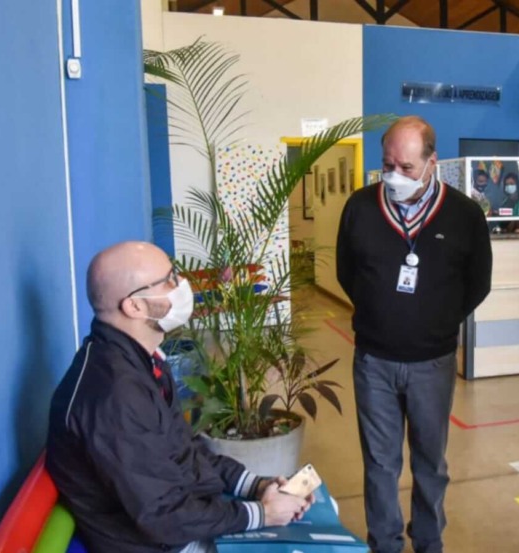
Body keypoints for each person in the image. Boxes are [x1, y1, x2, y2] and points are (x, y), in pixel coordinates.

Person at [46, 241, 310, 553]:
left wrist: (257, 486)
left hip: (182, 524)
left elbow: (184, 450)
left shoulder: (142, 362)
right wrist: (263, 513)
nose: (182, 286)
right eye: (169, 280)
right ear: (134, 306)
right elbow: (163, 516)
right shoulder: (113, 396)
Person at [336, 116, 493, 553]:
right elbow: (347, 273)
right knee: (380, 464)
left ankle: (428, 541)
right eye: (388, 165)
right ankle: (384, 544)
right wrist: (381, 315)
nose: (394, 176)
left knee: (430, 463)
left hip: (433, 362)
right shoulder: (361, 207)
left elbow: (478, 283)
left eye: (406, 168)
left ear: (431, 162)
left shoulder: (464, 215)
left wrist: (436, 322)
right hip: (374, 361)